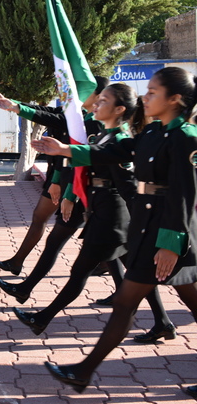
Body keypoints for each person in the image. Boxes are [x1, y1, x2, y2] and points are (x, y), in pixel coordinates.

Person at [33, 67, 197, 398]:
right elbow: (113, 153)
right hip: (147, 229)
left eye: (153, 92)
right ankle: (83, 372)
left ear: (175, 99)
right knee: (168, 301)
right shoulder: (153, 134)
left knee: (123, 304)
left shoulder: (186, 138)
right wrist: (64, 150)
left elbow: (183, 194)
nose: (146, 97)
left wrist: (169, 244)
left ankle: (82, 372)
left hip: (167, 234)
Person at [11, 83, 174, 341]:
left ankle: (43, 318)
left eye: (103, 101)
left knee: (81, 273)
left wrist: (146, 225)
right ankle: (162, 321)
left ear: (119, 109)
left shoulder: (120, 139)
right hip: (103, 213)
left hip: (113, 218)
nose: (96, 104)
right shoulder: (103, 137)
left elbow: (129, 189)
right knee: (134, 271)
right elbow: (85, 159)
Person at [0, 79, 106, 277]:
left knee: (97, 234)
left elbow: (80, 158)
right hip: (61, 175)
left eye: (82, 90)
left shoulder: (91, 122)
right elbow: (45, 113)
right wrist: (13, 105)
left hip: (74, 181)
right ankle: (18, 263)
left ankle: (117, 274)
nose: (73, 94)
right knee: (46, 222)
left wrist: (63, 187)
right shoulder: (75, 115)